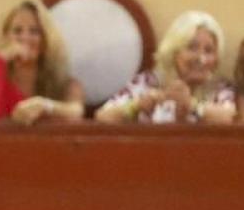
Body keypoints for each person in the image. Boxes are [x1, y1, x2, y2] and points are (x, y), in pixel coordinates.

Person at [97, 10, 236, 125]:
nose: (201, 58)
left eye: (209, 51)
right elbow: (103, 116)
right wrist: (137, 106)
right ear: (174, 52)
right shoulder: (148, 81)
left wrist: (192, 106)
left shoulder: (219, 88)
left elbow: (228, 118)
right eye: (192, 48)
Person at [0, 0, 85, 124]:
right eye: (17, 31)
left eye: (34, 31)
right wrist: (0, 60)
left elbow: (75, 112)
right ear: (6, 36)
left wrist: (44, 105)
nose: (24, 38)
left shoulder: (64, 83)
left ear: (46, 39)